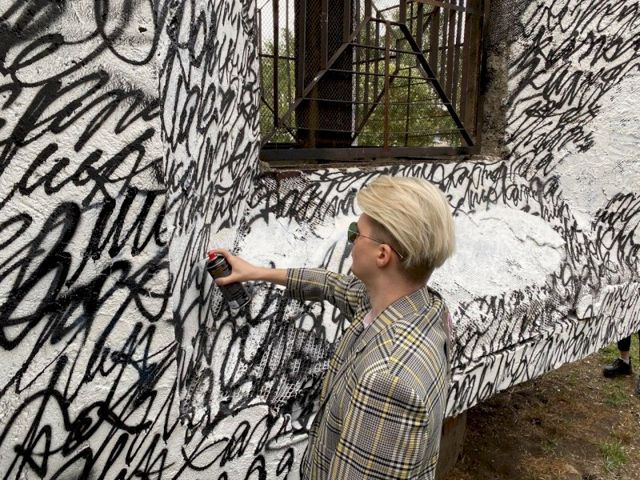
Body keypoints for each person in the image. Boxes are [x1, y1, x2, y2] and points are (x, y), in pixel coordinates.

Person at [211, 175, 455, 480]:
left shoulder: (388, 382)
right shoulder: (423, 308)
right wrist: (256, 272)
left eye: (356, 232)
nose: (351, 239)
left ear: (382, 255)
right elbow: (332, 285)